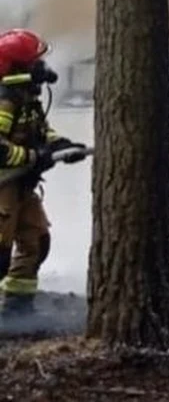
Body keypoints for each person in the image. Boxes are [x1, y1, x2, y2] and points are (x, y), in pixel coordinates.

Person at [0, 29, 87, 319]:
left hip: (22, 185)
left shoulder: (26, 97)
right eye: (35, 61)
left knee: (37, 241)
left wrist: (59, 145)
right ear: (19, 66)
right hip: (4, 186)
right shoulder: (5, 101)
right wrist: (34, 157)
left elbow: (39, 130)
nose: (43, 66)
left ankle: (17, 310)